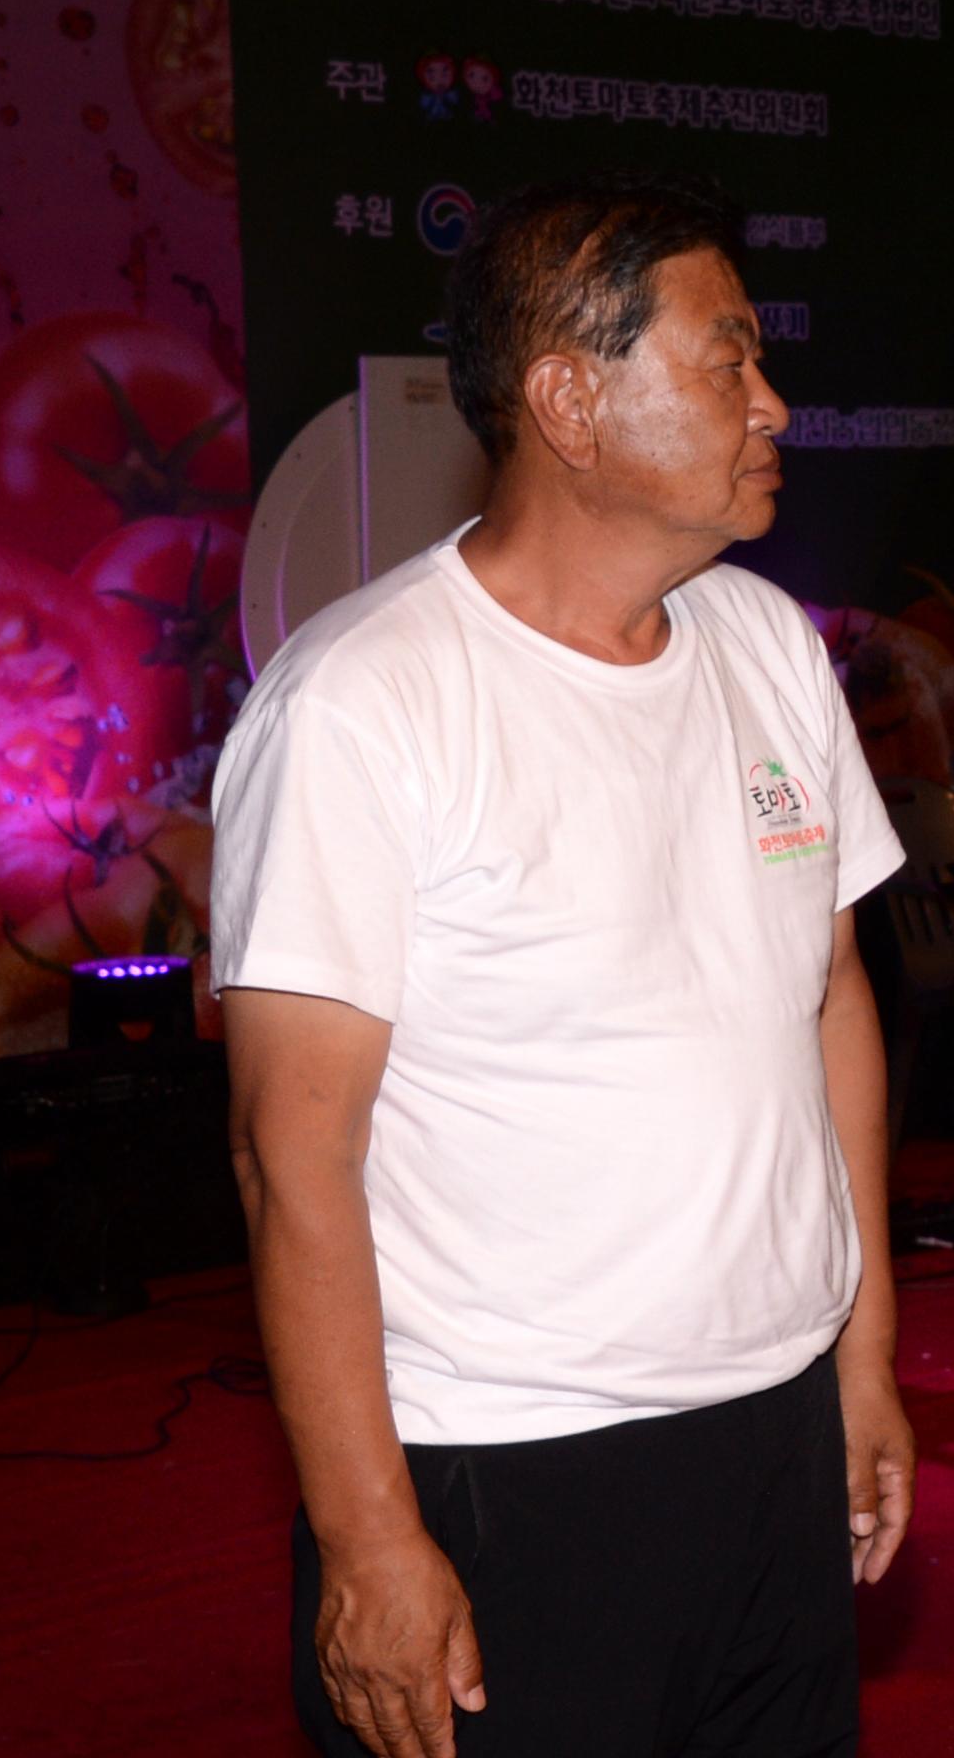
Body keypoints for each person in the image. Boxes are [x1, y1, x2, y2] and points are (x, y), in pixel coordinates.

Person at [214, 175, 914, 1758]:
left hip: (776, 1434)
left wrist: (862, 1357)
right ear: (569, 403)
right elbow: (292, 1159)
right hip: (507, 1464)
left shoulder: (767, 647)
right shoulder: (363, 704)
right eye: (727, 361)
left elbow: (832, 1002)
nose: (773, 403)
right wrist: (372, 1539)